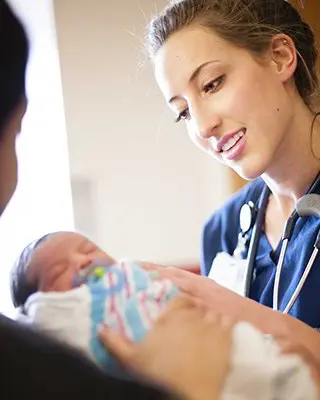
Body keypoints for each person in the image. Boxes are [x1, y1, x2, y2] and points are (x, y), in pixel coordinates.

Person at [98, 0, 320, 385]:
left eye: (212, 84)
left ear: (281, 57)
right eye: (183, 111)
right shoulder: (223, 231)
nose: (202, 125)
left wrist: (237, 310)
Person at [10, 230, 320, 399]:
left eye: (89, 248)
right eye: (58, 270)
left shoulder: (139, 276)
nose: (81, 261)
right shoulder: (63, 316)